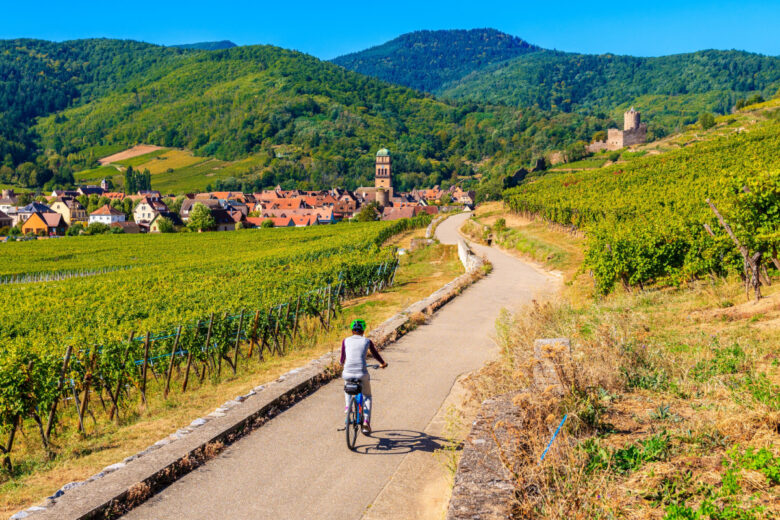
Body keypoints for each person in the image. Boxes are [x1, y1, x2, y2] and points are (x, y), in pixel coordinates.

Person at [340, 318, 387, 434]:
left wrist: (342, 364)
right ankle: (366, 422)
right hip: (361, 373)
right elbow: (376, 355)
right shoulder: (367, 341)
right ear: (363, 331)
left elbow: (342, 360)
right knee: (367, 396)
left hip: (347, 372)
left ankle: (348, 407)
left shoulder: (345, 341)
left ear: (352, 330)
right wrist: (383, 364)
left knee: (347, 384)